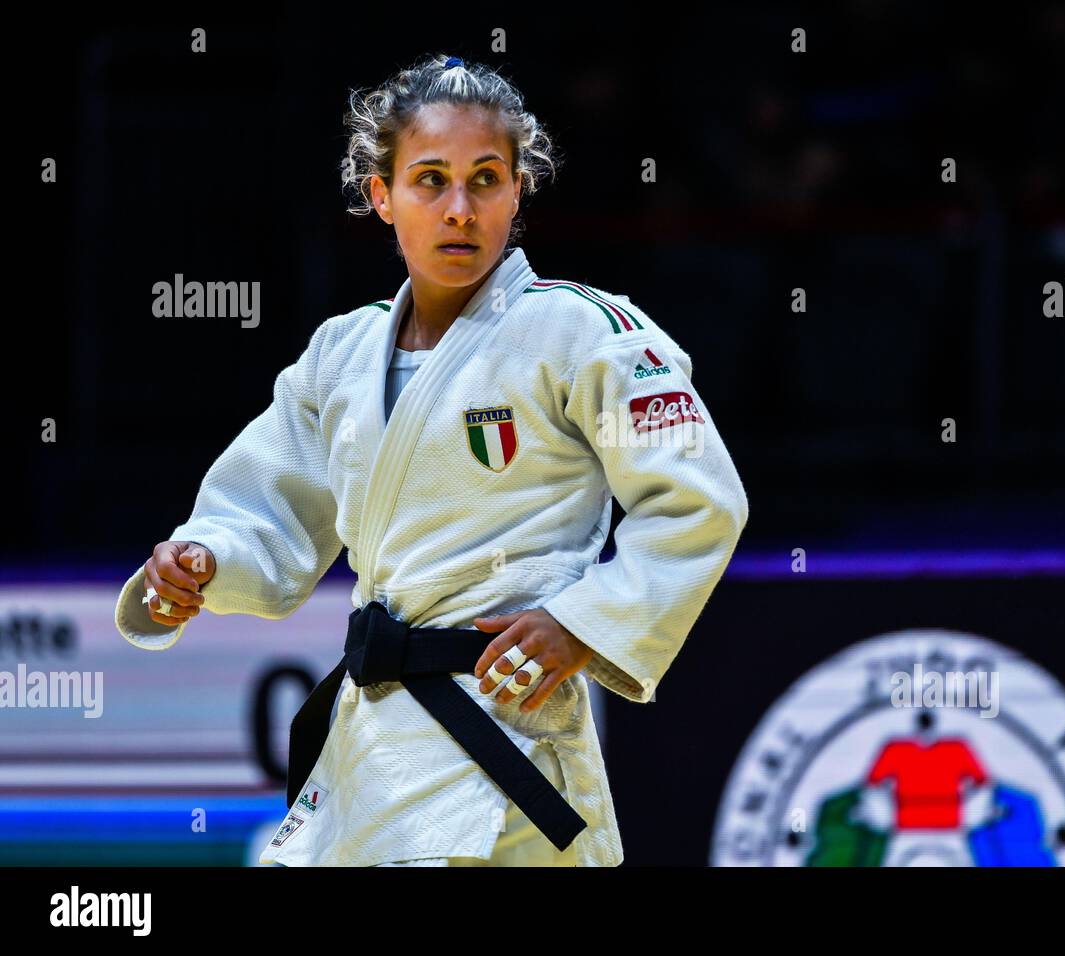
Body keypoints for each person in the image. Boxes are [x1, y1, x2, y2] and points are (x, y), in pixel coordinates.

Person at [112, 53, 749, 866]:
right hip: (374, 733)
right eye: (430, 180)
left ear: (519, 190)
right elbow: (264, 514)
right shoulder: (340, 354)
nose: (459, 208)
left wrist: (585, 623)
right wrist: (202, 562)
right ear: (381, 196)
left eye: (485, 179)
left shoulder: (582, 333)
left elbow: (699, 500)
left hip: (505, 731)